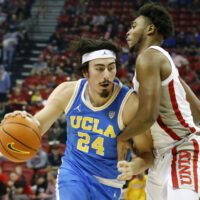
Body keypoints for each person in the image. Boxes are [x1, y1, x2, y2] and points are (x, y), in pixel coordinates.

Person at [3, 38, 154, 200]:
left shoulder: (130, 104)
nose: (107, 75)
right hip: (74, 172)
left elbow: (148, 154)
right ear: (85, 72)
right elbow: (38, 124)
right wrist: (24, 121)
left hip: (109, 183)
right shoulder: (67, 92)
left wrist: (134, 167)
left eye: (111, 68)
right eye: (99, 68)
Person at [117, 2, 200, 200]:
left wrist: (120, 136)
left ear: (150, 29)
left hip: (182, 149)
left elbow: (148, 115)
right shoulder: (163, 63)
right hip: (160, 156)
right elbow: (197, 110)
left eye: (134, 26)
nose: (128, 32)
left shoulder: (148, 58)